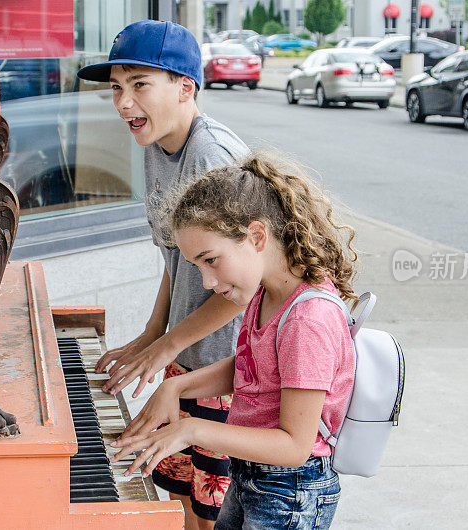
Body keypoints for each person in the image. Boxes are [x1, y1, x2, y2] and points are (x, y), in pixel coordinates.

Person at [110, 154, 359, 529]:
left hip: (289, 490)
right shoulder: (267, 291)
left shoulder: (308, 319)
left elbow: (294, 446)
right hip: (253, 476)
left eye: (211, 260)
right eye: (198, 267)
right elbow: (250, 367)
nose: (207, 282)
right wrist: (177, 386)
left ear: (257, 236)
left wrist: (192, 429)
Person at [77, 20, 250, 528]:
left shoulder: (211, 157)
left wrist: (168, 346)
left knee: (212, 514)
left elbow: (240, 291)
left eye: (139, 86)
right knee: (174, 499)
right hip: (185, 354)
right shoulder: (156, 146)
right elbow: (176, 261)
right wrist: (152, 336)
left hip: (225, 368)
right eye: (116, 88)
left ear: (185, 87)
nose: (124, 104)